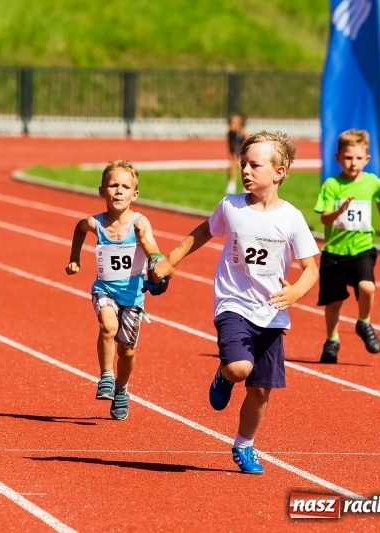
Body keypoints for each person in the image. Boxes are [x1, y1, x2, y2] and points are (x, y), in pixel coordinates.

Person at [146, 131, 319, 474]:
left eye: (255, 165)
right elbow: (203, 232)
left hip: (272, 313)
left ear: (279, 172)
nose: (246, 171)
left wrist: (296, 292)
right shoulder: (232, 206)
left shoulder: (291, 218)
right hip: (233, 303)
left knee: (261, 391)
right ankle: (225, 374)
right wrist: (170, 260)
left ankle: (244, 444)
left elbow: (311, 267)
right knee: (241, 368)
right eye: (244, 164)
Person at [66, 159, 165, 421]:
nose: (119, 191)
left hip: (132, 295)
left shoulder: (140, 223)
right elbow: (78, 228)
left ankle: (122, 388)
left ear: (135, 194)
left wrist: (155, 261)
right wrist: (75, 257)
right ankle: (106, 377)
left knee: (128, 351)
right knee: (107, 326)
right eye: (113, 185)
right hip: (105, 289)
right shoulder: (96, 223)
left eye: (125, 186)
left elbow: (153, 248)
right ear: (102, 191)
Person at [314, 129, 380, 364]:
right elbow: (324, 219)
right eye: (348, 157)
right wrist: (339, 211)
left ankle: (364, 322)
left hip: (362, 248)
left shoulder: (373, 183)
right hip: (335, 252)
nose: (353, 163)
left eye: (359, 158)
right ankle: (332, 340)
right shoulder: (332, 185)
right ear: (338, 158)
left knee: (367, 287)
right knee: (334, 303)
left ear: (367, 159)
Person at [226, 113, 249, 195]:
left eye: (233, 123)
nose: (230, 125)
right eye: (230, 123)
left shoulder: (244, 133)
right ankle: (231, 186)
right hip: (236, 155)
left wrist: (243, 158)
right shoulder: (230, 133)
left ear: (239, 124)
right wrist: (233, 158)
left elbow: (248, 147)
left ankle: (247, 187)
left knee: (245, 170)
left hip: (245, 156)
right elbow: (231, 147)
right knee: (231, 166)